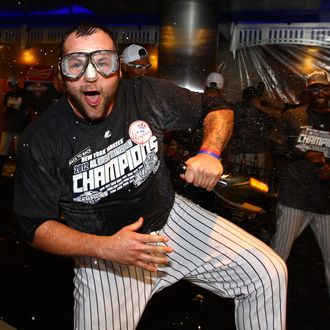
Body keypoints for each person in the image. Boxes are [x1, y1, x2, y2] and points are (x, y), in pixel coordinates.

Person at [14, 23, 287, 330]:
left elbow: (217, 106)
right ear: (62, 75)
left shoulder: (146, 94)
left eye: (102, 62)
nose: (90, 76)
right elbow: (34, 226)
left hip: (171, 221)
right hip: (105, 252)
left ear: (118, 67)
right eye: (76, 64)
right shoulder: (41, 139)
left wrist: (210, 152)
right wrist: (105, 248)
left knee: (267, 272)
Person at [269, 70, 330, 298]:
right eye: (314, 88)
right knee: (278, 254)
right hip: (294, 198)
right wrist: (303, 154)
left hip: (325, 202)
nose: (320, 93)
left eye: (324, 88)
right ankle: (267, 300)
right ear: (307, 92)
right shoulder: (293, 116)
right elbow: (275, 146)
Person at [0, 76, 36, 176]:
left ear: (16, 83)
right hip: (9, 126)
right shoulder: (8, 94)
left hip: (20, 127)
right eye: (10, 85)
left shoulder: (26, 93)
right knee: (3, 150)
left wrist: (29, 111)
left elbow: (33, 105)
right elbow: (4, 109)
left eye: (12, 84)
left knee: (18, 151)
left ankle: (19, 173)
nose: (11, 87)